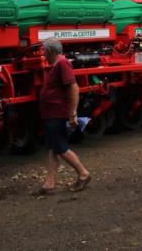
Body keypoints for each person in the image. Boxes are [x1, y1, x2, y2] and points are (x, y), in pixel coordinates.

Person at [38, 37, 91, 193]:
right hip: (51, 113)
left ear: (50, 51)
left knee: (60, 147)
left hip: (57, 112)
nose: (43, 54)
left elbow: (73, 88)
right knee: (52, 148)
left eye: (44, 51)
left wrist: (72, 113)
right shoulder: (55, 65)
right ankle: (50, 182)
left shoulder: (62, 63)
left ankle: (83, 173)